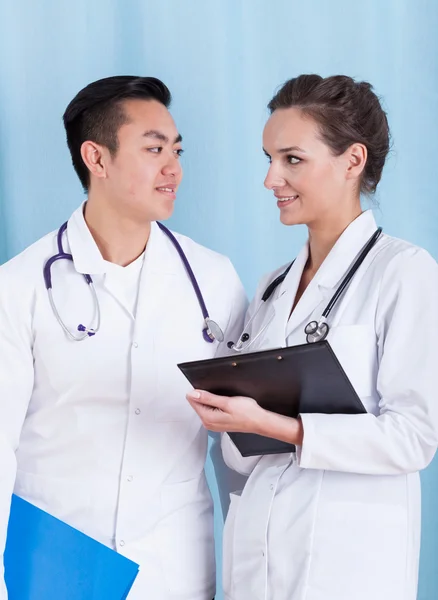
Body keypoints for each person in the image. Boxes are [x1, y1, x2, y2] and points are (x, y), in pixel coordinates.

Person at [187, 74, 438, 600]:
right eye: (268, 159)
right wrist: (233, 421)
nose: (270, 178)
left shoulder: (404, 273)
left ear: (352, 161)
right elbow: (244, 455)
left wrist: (285, 427)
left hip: (347, 565)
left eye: (291, 159)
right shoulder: (272, 286)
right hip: (255, 560)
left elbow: (414, 438)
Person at [0, 76, 247, 600]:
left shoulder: (213, 280)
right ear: (97, 157)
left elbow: (237, 447)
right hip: (53, 567)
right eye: (154, 149)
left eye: (176, 150)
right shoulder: (19, 287)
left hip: (174, 570)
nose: (173, 168)